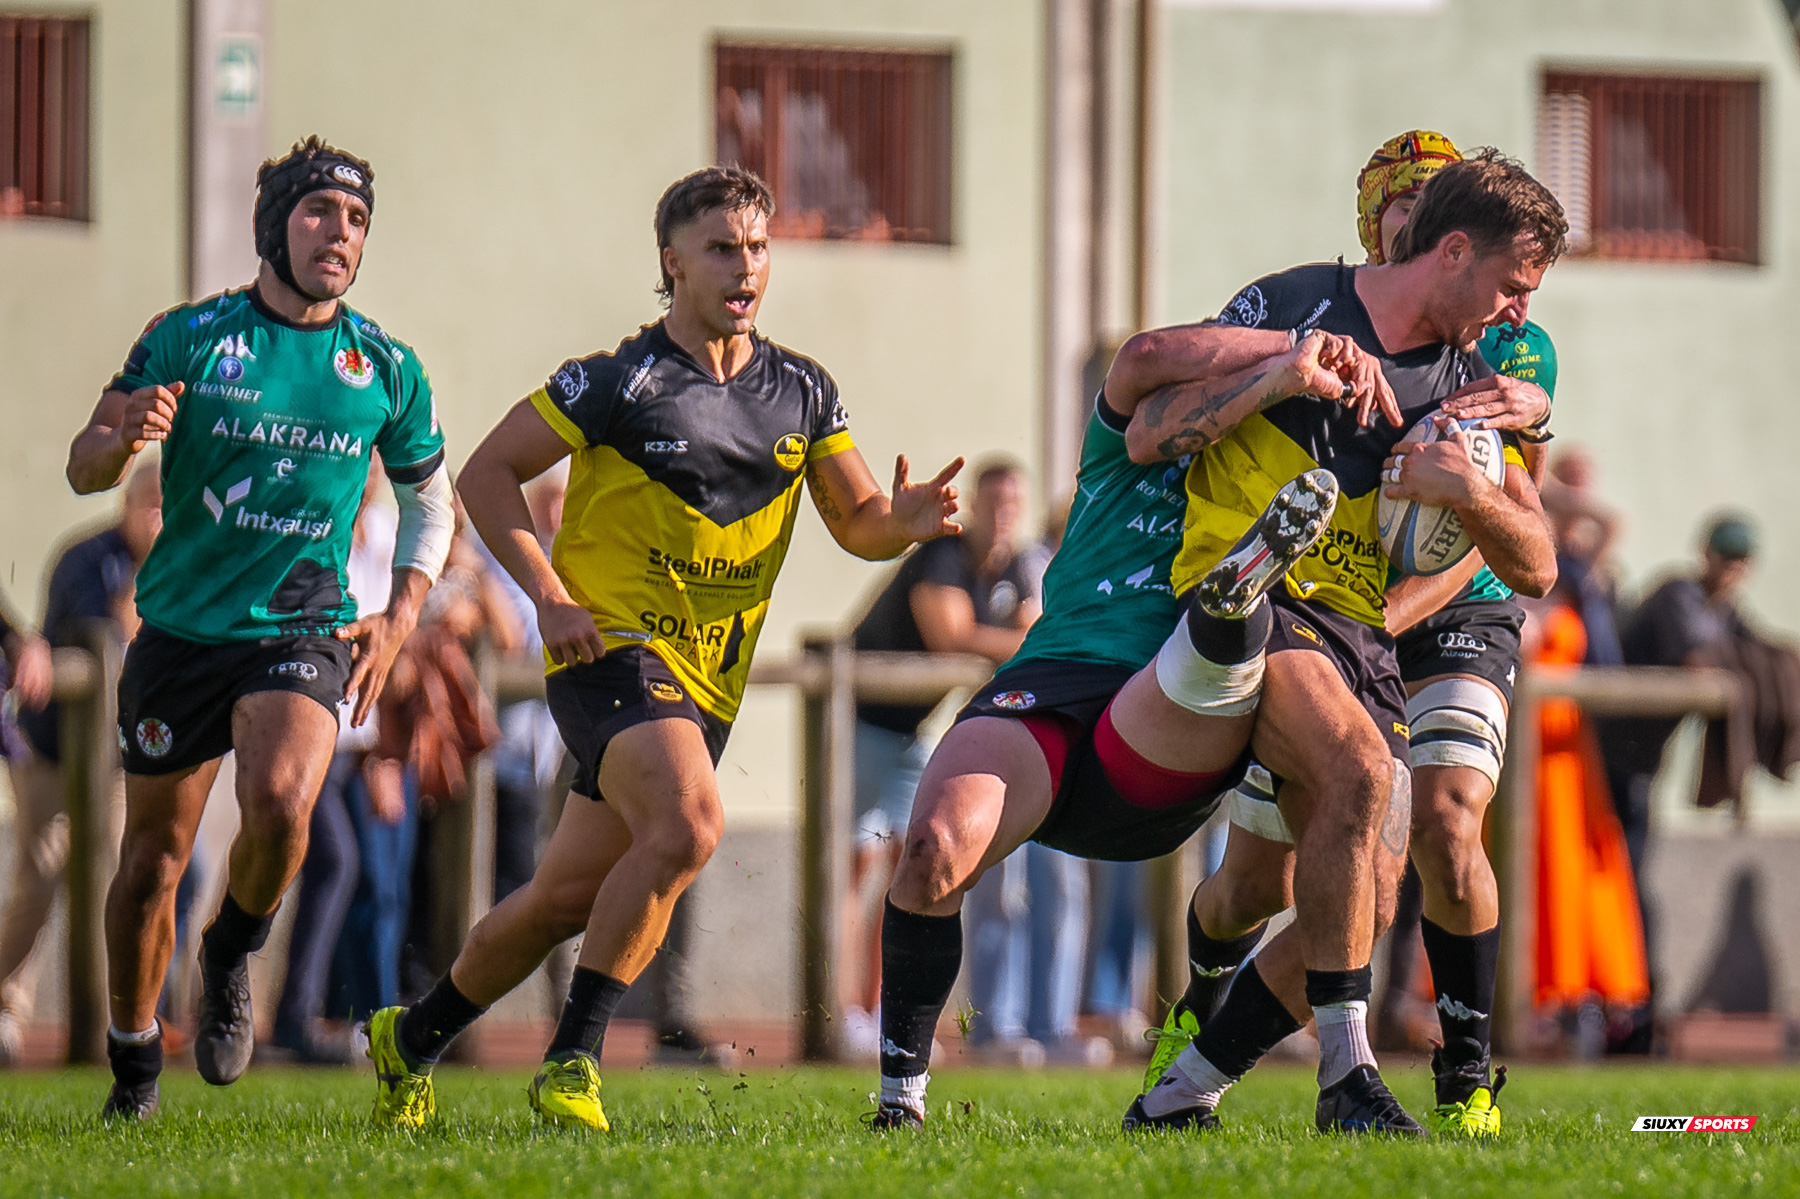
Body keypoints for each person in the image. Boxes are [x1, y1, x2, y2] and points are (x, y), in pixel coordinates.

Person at [365, 165, 963, 1132]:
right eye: (723, 248)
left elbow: (853, 519)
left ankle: (412, 1036)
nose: (746, 267)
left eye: (759, 247)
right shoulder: (616, 381)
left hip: (703, 683)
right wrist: (551, 597)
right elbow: (486, 473)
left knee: (563, 896)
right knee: (689, 825)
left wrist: (901, 519)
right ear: (671, 263)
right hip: (607, 650)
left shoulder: (803, 390)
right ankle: (572, 1061)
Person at [1112, 149, 1563, 1136]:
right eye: (1511, 284)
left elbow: (1537, 563)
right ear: (1453, 250)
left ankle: (1183, 1088)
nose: (1516, 311)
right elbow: (1146, 424)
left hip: (1361, 628)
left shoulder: (1468, 383)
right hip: (1256, 597)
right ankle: (1347, 1078)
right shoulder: (1294, 301)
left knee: (1371, 883)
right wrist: (1277, 377)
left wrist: (1470, 492)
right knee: (1359, 774)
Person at [64, 136, 453, 1119]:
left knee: (283, 797)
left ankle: (231, 950)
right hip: (182, 630)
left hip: (304, 623)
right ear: (274, 221)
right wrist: (121, 437)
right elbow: (83, 464)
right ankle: (134, 1054)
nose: (340, 233)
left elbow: (432, 505)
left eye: (357, 219)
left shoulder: (385, 366)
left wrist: (402, 612)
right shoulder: (191, 335)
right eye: (320, 210)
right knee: (152, 859)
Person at [845, 458, 1039, 1052]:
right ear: (976, 507)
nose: (1003, 515)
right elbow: (949, 637)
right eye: (994, 503)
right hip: (856, 723)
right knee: (853, 871)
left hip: (913, 733)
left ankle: (874, 1010)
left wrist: (1022, 636)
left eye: (1013, 504)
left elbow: (1034, 621)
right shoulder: (942, 553)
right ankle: (837, 1011)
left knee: (908, 871)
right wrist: (1023, 643)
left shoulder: (1013, 567)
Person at [0, 591, 54, 1065]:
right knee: (37, 882)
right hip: (49, 753)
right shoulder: (89, 560)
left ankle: (135, 1019)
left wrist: (19, 641)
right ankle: (8, 1006)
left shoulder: (179, 560)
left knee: (134, 872)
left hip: (122, 760)